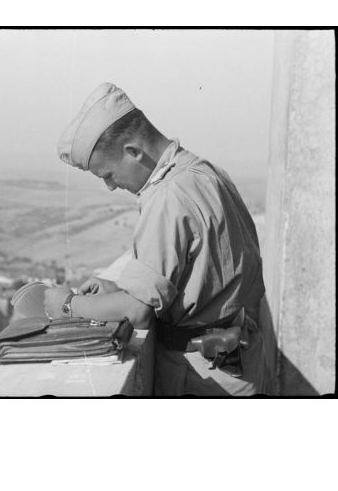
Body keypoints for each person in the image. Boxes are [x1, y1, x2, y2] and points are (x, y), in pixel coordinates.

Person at [44, 82, 269, 396]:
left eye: (106, 174)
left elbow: (138, 312)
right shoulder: (205, 171)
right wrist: (121, 290)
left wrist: (67, 305)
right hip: (237, 357)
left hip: (201, 376)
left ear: (133, 152)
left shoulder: (166, 197)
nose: (110, 186)